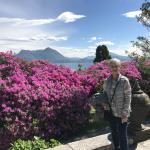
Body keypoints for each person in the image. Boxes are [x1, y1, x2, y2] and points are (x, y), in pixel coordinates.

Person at [102, 58, 132, 150]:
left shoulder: (124, 81)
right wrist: (104, 104)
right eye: (112, 66)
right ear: (109, 68)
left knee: (122, 135)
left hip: (122, 113)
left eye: (116, 66)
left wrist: (125, 113)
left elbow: (128, 98)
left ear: (120, 67)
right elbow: (105, 95)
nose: (114, 68)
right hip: (111, 112)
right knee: (114, 132)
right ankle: (117, 148)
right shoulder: (107, 81)